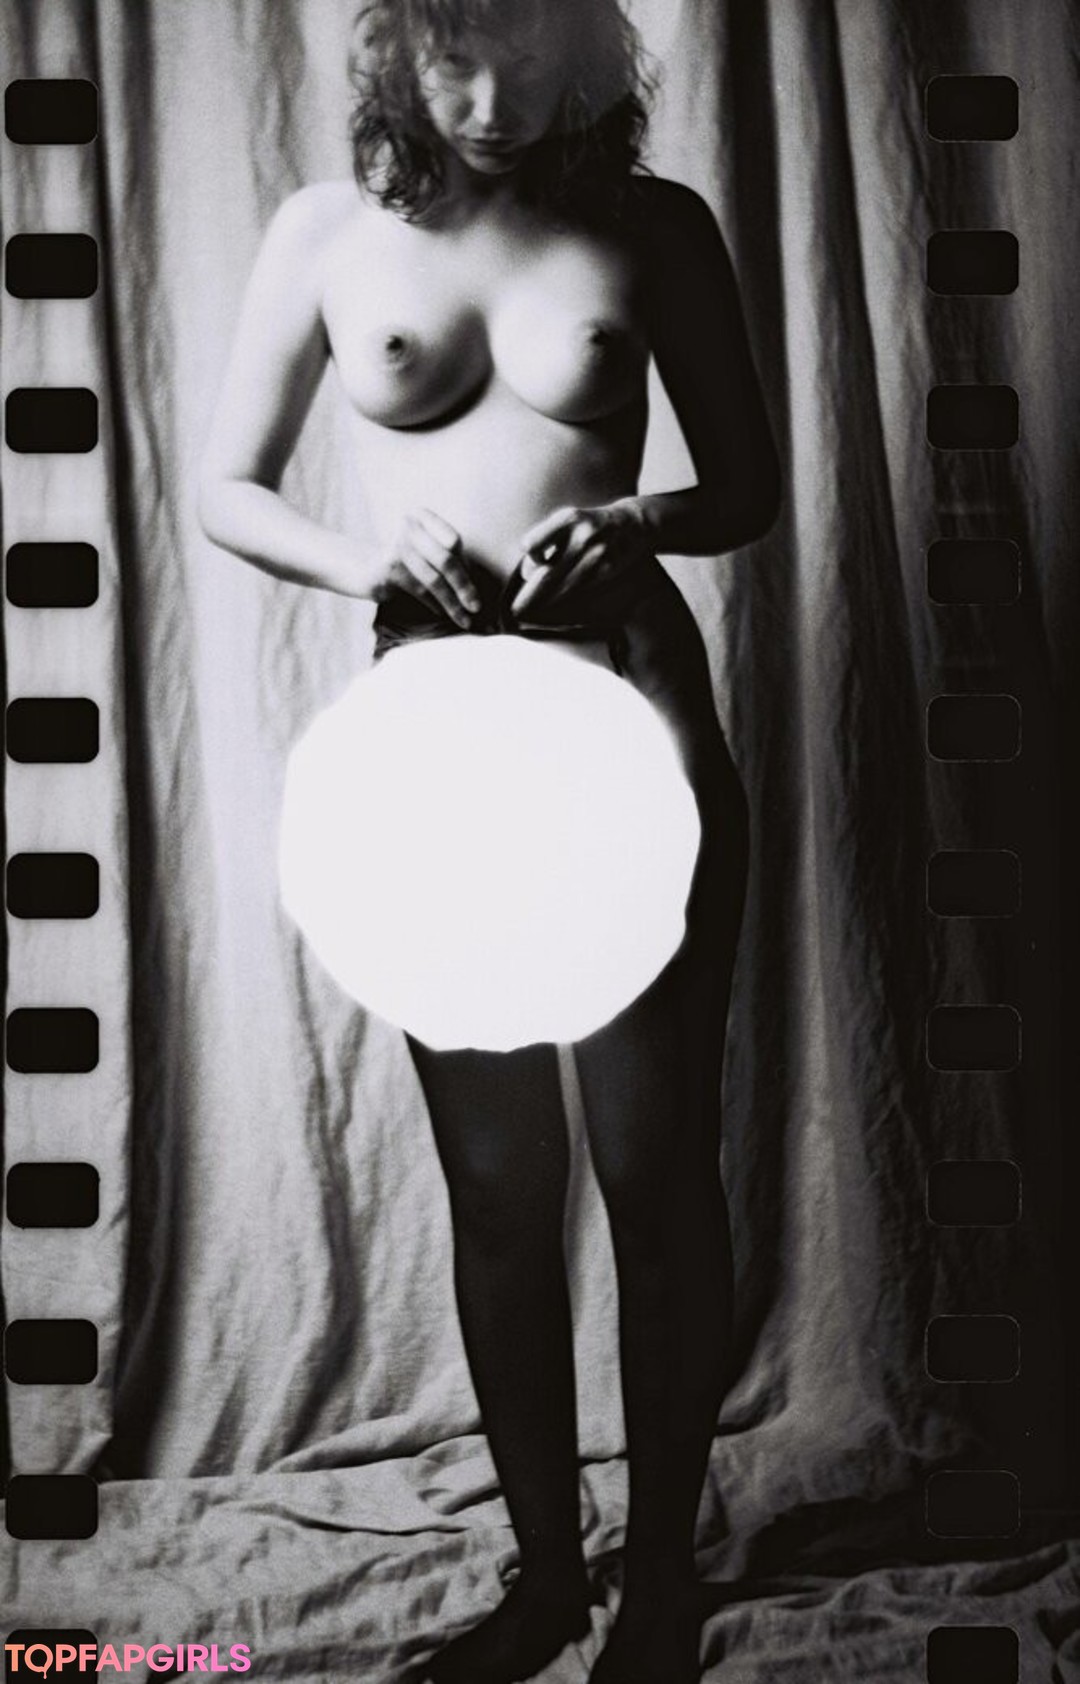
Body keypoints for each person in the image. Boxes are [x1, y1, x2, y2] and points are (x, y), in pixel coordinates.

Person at [199, 1, 780, 1678]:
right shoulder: (327, 233)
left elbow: (747, 483)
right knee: (500, 1190)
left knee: (655, 1179)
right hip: (441, 757)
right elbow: (227, 486)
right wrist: (366, 560)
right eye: (454, 56)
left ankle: (657, 1584)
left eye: (525, 56)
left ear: (580, 54)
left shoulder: (655, 226)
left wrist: (637, 516)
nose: (489, 98)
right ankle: (544, 1579)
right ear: (401, 52)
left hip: (633, 720)